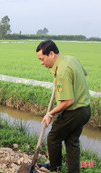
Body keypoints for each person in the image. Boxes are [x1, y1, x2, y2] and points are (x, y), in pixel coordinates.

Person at [36, 40, 91, 172]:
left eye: (42, 59)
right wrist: (62, 78)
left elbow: (68, 101)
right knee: (72, 142)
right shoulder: (71, 59)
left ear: (51, 54)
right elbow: (84, 73)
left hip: (74, 111)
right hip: (85, 110)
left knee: (53, 137)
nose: (41, 63)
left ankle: (54, 166)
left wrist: (50, 114)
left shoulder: (62, 71)